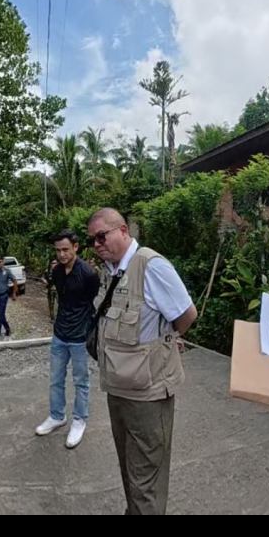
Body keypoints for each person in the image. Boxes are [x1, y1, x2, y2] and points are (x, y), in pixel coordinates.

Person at [87, 208, 197, 514]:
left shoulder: (151, 266)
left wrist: (167, 340)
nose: (96, 244)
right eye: (92, 240)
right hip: (118, 389)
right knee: (129, 469)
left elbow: (186, 315)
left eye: (101, 236)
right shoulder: (111, 271)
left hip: (148, 394)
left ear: (123, 230)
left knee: (146, 478)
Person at [34, 230, 100, 448]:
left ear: (75, 247)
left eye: (65, 249)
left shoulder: (89, 274)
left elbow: (90, 303)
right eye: (58, 250)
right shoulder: (57, 272)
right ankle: (57, 415)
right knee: (55, 379)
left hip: (80, 336)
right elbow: (62, 300)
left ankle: (80, 420)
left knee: (81, 381)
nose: (61, 254)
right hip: (60, 335)